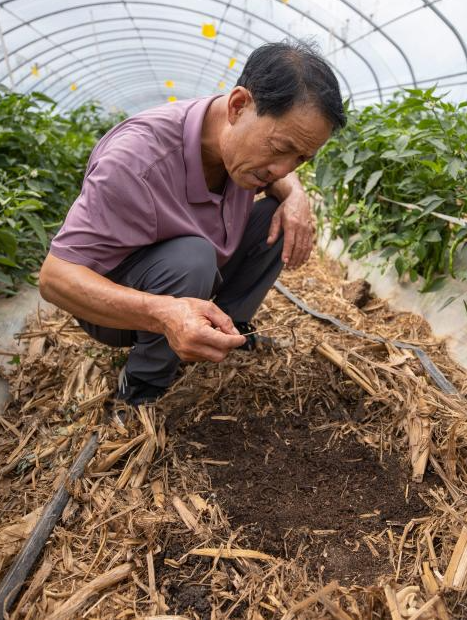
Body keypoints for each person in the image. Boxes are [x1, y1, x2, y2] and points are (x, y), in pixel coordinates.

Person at [38, 40, 346, 405]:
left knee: (273, 220)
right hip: (118, 309)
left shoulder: (239, 148)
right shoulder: (136, 160)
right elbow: (54, 279)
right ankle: (142, 384)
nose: (283, 169)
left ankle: (224, 330)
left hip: (189, 280)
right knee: (192, 256)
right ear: (238, 106)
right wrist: (163, 314)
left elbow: (281, 169)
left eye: (300, 159)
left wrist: (295, 195)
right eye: (280, 149)